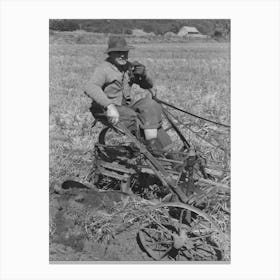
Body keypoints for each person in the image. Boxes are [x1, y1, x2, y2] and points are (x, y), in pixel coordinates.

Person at [85, 35, 171, 154]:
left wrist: (144, 75)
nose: (122, 55)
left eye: (125, 52)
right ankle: (150, 151)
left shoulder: (129, 67)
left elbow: (147, 85)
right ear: (110, 54)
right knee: (134, 117)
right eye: (118, 52)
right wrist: (109, 106)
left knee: (150, 105)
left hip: (124, 108)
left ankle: (157, 148)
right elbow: (90, 87)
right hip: (105, 109)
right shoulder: (104, 69)